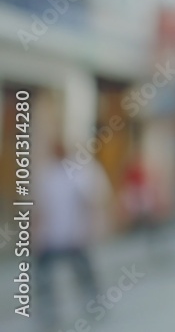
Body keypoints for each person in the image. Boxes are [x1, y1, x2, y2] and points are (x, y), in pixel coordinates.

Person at [36, 139, 112, 331]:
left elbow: (90, 202)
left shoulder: (78, 173)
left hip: (73, 235)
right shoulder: (48, 174)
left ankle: (95, 305)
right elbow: (41, 206)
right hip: (51, 237)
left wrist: (90, 227)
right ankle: (49, 314)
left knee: (84, 274)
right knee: (44, 278)